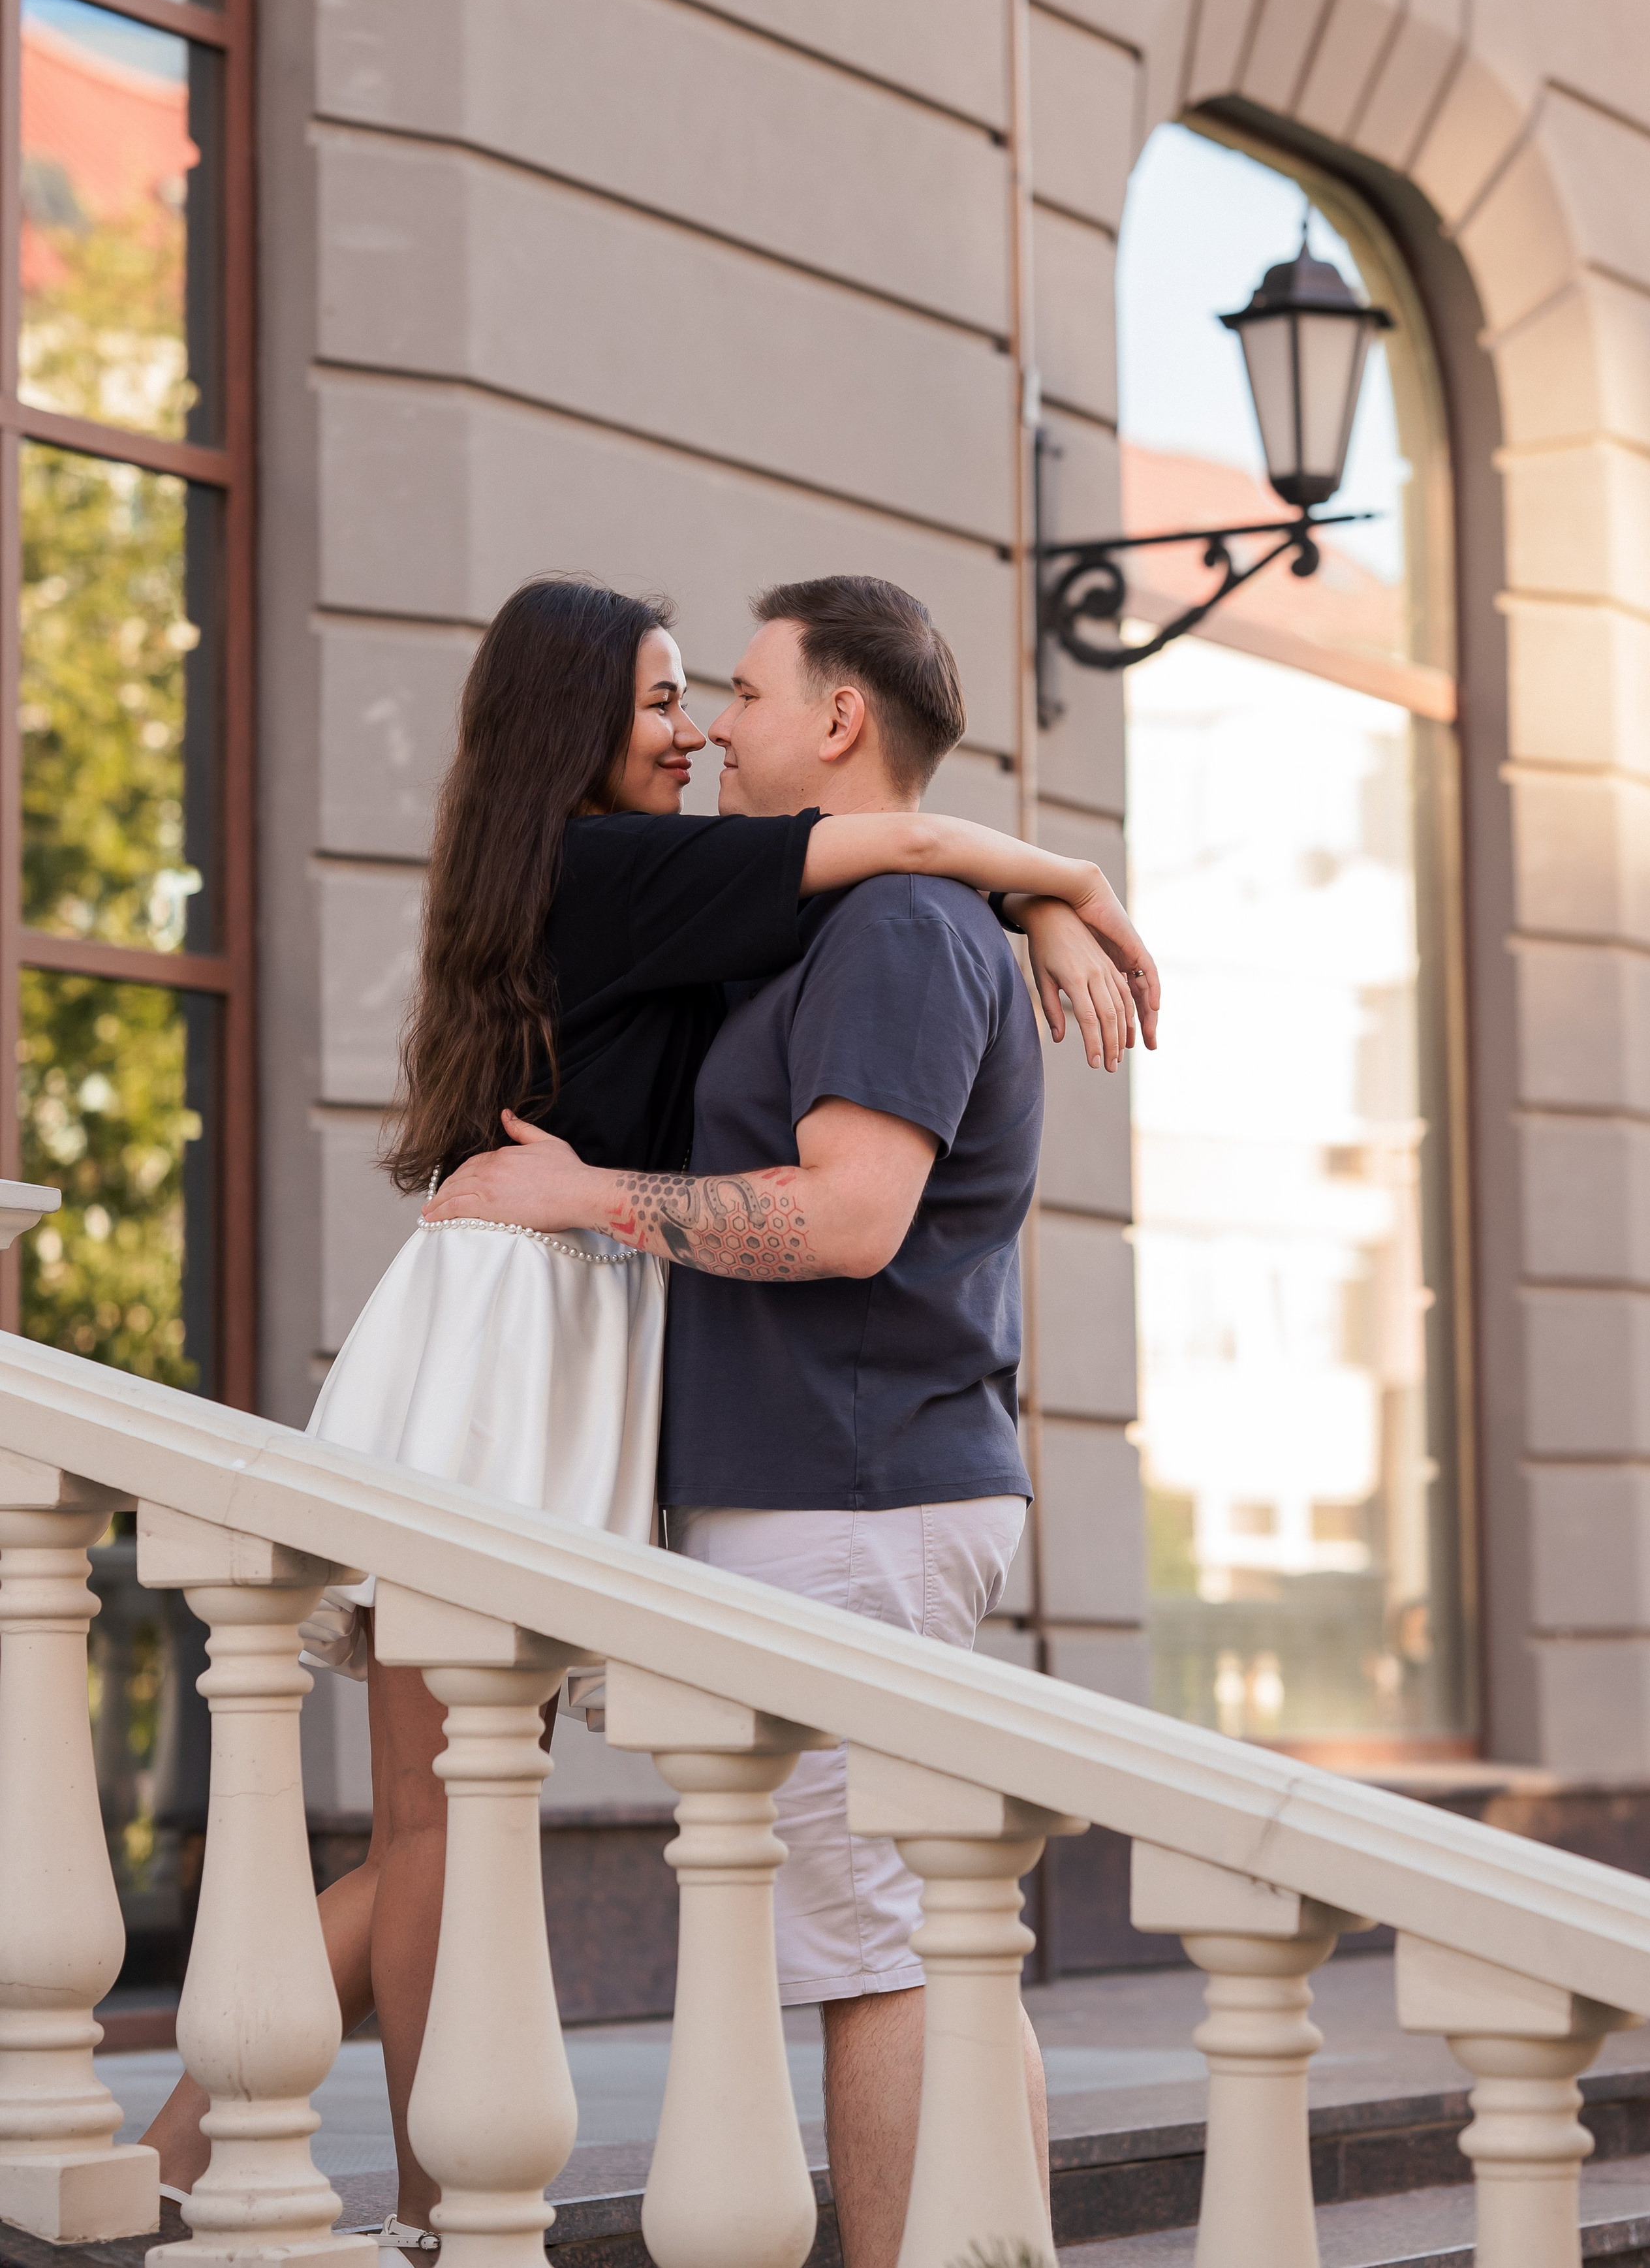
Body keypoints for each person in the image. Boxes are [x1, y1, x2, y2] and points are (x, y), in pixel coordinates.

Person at [142, 574, 1155, 2250]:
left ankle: (251, 2164)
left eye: (720, 697)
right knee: (445, 1825)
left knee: (554, 1847)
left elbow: (888, 925)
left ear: (831, 718)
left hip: (645, 1359)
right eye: (667, 704)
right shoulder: (608, 867)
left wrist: (1024, 905)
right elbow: (899, 857)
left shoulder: (768, 910)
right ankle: (401, 2208)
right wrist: (1061, 876)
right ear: (579, 732)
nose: (698, 733)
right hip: (510, 1332)